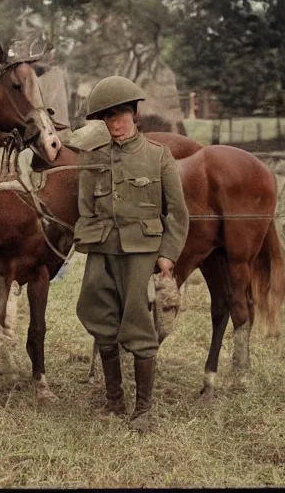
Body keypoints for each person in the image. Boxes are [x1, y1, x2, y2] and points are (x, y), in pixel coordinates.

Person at [72, 76, 188, 433]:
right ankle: (113, 401)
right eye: (108, 118)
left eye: (121, 115)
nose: (115, 124)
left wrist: (167, 255)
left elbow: (178, 213)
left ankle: (143, 410)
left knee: (138, 325)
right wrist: (91, 239)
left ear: (134, 114)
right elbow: (85, 207)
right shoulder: (93, 159)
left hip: (142, 252)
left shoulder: (158, 156)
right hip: (102, 249)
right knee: (100, 318)